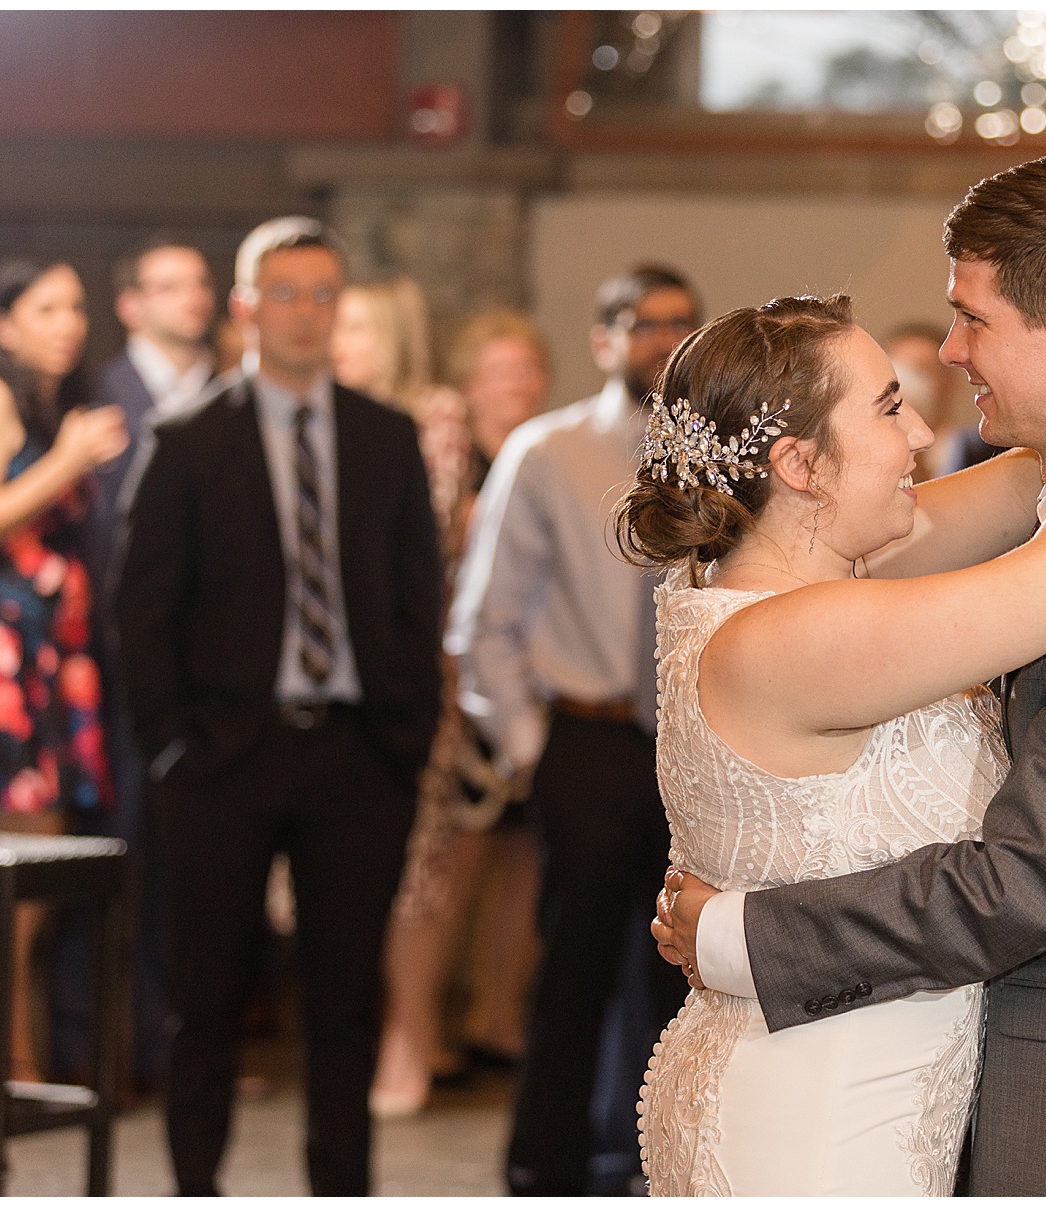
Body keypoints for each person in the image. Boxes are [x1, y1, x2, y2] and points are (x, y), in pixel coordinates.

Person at [649, 147, 1046, 1194]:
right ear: (799, 469)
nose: (946, 363)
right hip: (834, 1108)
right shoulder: (809, 618)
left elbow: (1027, 878)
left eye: (973, 319)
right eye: (888, 407)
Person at [114, 217, 441, 1195]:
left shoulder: (386, 436)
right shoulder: (187, 437)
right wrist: (173, 746)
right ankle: (195, 1187)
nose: (305, 314)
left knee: (344, 1004)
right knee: (206, 1000)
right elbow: (141, 609)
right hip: (222, 757)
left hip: (356, 754)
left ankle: (339, 1189)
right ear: (248, 308)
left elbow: (417, 595)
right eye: (284, 294)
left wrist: (405, 736)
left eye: (322, 294)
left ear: (341, 308)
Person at [450, 265, 702, 1194]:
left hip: (691, 747)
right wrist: (534, 750)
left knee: (688, 982)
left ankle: (662, 1171)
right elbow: (485, 621)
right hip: (586, 743)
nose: (664, 340)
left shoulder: (716, 456)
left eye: (682, 322)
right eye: (645, 324)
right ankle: (543, 1170)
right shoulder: (545, 452)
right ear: (604, 340)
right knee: (574, 974)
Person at [0, 259, 129, 1085]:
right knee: (15, 864)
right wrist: (69, 460)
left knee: (39, 868)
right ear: (5, 323)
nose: (67, 323)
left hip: (53, 654)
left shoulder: (53, 408)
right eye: (47, 307)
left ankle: (5, 1043)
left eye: (76, 307)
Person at [358, 304, 549, 1118]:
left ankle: (495, 1017)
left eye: (525, 371)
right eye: (497, 373)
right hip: (454, 688)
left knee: (518, 862)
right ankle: (415, 1033)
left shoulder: (545, 456)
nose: (514, 386)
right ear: (469, 387)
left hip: (536, 685)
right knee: (443, 870)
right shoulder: (454, 458)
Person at [52, 235, 218, 1093]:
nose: (193, 298)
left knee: (192, 876)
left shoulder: (230, 396)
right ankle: (95, 1047)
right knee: (112, 858)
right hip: (113, 676)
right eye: (169, 284)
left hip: (212, 682)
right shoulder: (100, 401)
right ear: (131, 303)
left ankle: (171, 1046)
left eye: (200, 283)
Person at [882, 322, 966, 482]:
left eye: (921, 370)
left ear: (951, 381)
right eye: (899, 369)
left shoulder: (978, 452)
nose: (906, 382)